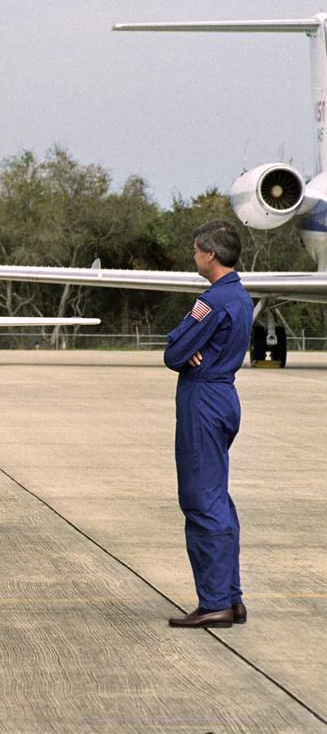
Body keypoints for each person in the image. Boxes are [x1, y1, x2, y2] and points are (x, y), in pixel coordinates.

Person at [163, 219, 253, 629]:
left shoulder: (213, 301)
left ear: (210, 255)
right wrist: (189, 349)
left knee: (201, 499)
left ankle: (214, 601)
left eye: (197, 251)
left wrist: (186, 349)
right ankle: (231, 597)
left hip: (203, 397)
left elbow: (175, 348)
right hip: (224, 394)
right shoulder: (240, 297)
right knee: (217, 496)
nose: (195, 256)